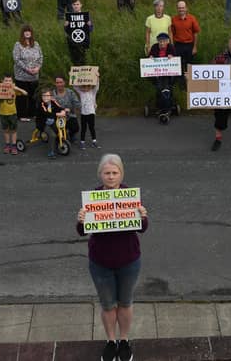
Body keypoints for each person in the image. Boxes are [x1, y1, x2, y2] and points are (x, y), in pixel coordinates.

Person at [76, 154, 149, 361]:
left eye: (114, 173)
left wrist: (143, 215)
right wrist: (81, 220)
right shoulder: (92, 199)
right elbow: (82, 231)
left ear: (121, 174)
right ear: (100, 175)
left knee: (125, 303)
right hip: (101, 263)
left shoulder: (130, 196)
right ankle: (111, 341)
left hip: (129, 261)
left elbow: (142, 228)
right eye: (106, 173)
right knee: (108, 305)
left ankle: (124, 340)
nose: (110, 176)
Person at [13, 24, 43, 122]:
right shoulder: (18, 45)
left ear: (31, 33)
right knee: (22, 96)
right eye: (25, 31)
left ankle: (33, 113)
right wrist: (27, 69)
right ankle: (22, 115)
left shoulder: (36, 44)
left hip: (34, 75)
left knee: (33, 96)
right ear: (22, 33)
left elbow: (41, 57)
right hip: (22, 76)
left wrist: (38, 67)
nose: (27, 33)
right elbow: (17, 59)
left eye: (29, 31)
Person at [0, 74, 27, 155]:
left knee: (14, 130)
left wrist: (16, 88)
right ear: (2, 82)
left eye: (9, 81)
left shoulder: (14, 89)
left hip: (13, 113)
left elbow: (25, 93)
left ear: (12, 82)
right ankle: (8, 145)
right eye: (6, 81)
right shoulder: (0, 89)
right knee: (6, 130)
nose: (8, 82)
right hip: (3, 113)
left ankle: (14, 145)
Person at [170, 0, 200, 81]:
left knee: (189, 64)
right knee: (178, 65)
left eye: (183, 8)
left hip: (189, 45)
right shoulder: (174, 19)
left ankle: (189, 82)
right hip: (178, 45)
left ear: (186, 8)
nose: (181, 9)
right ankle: (180, 83)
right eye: (179, 8)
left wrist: (195, 47)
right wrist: (172, 45)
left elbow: (195, 33)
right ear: (177, 9)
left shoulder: (192, 18)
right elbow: (171, 33)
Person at [148, 32, 176, 115]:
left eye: (164, 41)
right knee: (159, 88)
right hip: (157, 73)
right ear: (158, 41)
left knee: (167, 88)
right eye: (160, 41)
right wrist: (151, 57)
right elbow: (150, 57)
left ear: (167, 41)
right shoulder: (154, 47)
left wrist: (172, 56)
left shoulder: (171, 47)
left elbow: (176, 60)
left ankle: (168, 107)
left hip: (168, 73)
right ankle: (160, 107)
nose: (162, 43)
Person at [35, 88, 66, 159]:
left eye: (47, 96)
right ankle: (50, 152)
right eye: (44, 96)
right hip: (43, 123)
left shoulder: (53, 102)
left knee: (61, 129)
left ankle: (58, 142)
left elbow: (59, 107)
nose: (45, 97)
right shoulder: (41, 104)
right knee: (52, 135)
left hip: (52, 121)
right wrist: (58, 114)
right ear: (41, 97)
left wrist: (63, 111)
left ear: (51, 96)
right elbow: (46, 113)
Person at [74, 73, 100, 150]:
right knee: (83, 128)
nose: (85, 88)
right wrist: (73, 76)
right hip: (83, 113)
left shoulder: (92, 92)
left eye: (88, 86)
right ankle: (82, 142)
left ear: (90, 86)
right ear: (81, 87)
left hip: (91, 112)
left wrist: (97, 77)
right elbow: (75, 86)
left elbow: (97, 86)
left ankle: (94, 141)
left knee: (92, 127)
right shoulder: (81, 92)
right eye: (84, 86)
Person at [64, 0, 93, 65]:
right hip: (73, 43)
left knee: (84, 60)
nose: (76, 6)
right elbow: (67, 31)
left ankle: (84, 75)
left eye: (77, 4)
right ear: (72, 6)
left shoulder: (86, 16)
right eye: (74, 4)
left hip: (84, 42)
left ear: (81, 5)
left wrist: (90, 25)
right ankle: (76, 74)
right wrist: (65, 26)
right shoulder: (69, 17)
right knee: (74, 60)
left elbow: (90, 30)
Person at [52, 74, 81, 142]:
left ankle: (71, 134)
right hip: (58, 117)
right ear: (55, 83)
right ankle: (62, 133)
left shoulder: (70, 92)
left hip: (69, 115)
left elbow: (77, 104)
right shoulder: (52, 94)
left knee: (75, 128)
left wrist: (71, 109)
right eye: (57, 82)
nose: (59, 84)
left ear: (64, 82)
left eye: (61, 82)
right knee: (57, 135)